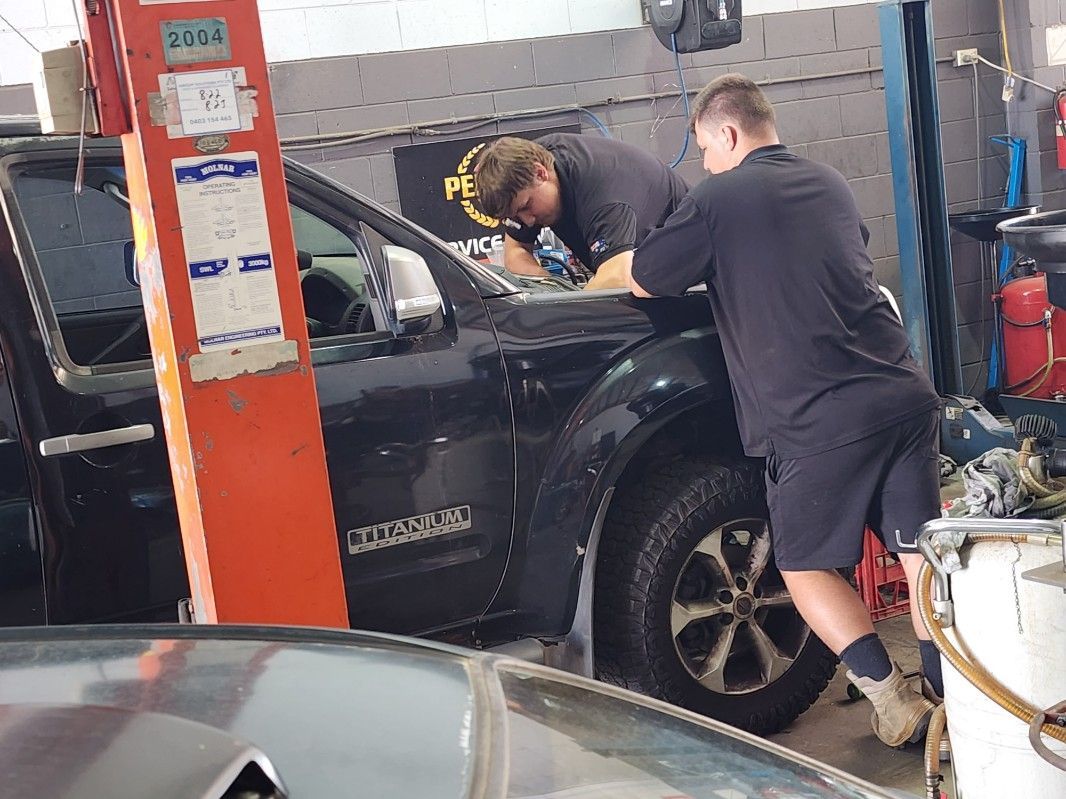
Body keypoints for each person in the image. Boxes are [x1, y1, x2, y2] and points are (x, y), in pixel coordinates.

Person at [623, 74, 944, 748]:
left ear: (726, 134)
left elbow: (646, 277)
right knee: (919, 552)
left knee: (801, 566)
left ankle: (891, 699)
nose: (705, 165)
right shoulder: (829, 181)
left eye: (706, 151)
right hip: (903, 393)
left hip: (818, 419)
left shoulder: (717, 198)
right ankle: (951, 698)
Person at [474, 133, 688, 289]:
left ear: (540, 174)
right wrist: (551, 287)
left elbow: (616, 278)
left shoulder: (603, 195)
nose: (527, 222)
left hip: (692, 276)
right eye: (514, 216)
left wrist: (563, 311)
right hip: (642, 273)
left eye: (526, 207)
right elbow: (516, 251)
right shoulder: (526, 167)